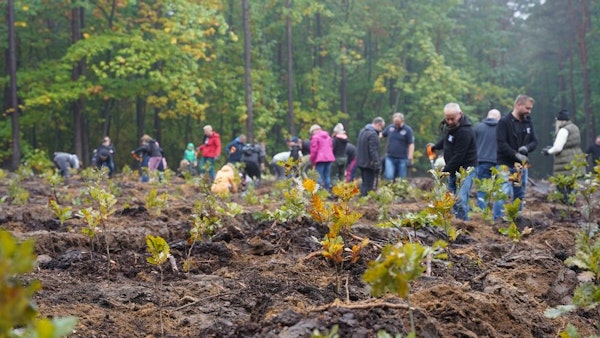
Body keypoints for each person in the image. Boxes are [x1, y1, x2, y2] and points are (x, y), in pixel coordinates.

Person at [429, 103, 477, 221]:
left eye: (452, 119)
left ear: (460, 114)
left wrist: (445, 170)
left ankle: (463, 224)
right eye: (447, 118)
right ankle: (455, 222)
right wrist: (435, 147)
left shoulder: (465, 131)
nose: (449, 121)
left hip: (465, 169)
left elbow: (459, 155)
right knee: (451, 198)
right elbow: (446, 140)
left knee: (460, 199)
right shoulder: (451, 127)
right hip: (453, 169)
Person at [493, 95, 538, 221]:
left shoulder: (528, 122)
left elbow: (535, 141)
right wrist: (515, 154)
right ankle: (498, 220)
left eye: (531, 109)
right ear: (518, 105)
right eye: (527, 108)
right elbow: (501, 143)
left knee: (519, 192)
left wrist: (526, 148)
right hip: (505, 163)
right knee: (502, 191)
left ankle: (516, 219)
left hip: (521, 166)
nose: (529, 111)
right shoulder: (504, 122)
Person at [541, 109, 585, 202]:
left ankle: (566, 205)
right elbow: (569, 143)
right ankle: (571, 205)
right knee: (571, 187)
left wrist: (548, 151)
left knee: (562, 187)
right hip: (576, 158)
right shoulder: (574, 127)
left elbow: (558, 147)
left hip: (565, 161)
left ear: (560, 121)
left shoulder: (563, 130)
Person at [474, 109, 501, 210]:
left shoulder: (478, 127)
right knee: (499, 189)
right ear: (498, 118)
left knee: (482, 189)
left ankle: (482, 212)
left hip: (482, 162)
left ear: (487, 116)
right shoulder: (501, 128)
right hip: (498, 163)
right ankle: (497, 214)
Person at [381, 113, 415, 180]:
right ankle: (388, 189)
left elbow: (411, 144)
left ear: (402, 120)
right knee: (389, 176)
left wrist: (410, 158)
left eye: (398, 122)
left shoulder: (408, 130)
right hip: (390, 157)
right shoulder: (390, 128)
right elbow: (381, 135)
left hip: (402, 158)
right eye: (395, 122)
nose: (396, 124)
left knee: (401, 179)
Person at [357, 117, 385, 196]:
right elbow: (373, 150)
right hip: (369, 162)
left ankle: (361, 199)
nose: (381, 130)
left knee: (364, 182)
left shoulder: (362, 131)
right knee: (369, 184)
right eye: (381, 127)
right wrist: (376, 162)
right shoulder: (373, 134)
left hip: (361, 161)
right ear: (378, 124)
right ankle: (365, 200)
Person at [309, 124, 336, 192]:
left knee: (319, 175)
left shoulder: (315, 137)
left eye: (312, 132)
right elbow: (331, 147)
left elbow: (314, 150)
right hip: (329, 158)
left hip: (320, 158)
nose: (312, 134)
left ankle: (318, 191)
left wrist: (312, 159)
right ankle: (327, 191)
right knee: (327, 175)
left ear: (313, 131)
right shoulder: (328, 137)